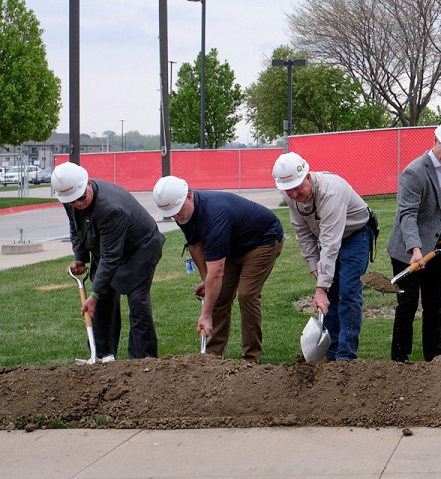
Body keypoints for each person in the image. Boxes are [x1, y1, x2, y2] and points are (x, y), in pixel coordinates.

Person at [152, 176, 285, 361]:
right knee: (218, 295)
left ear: (189, 196)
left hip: (262, 241)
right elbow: (195, 245)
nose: (176, 216)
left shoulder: (214, 215)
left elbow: (217, 272)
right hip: (233, 244)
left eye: (177, 210)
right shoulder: (181, 212)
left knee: (247, 295)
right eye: (171, 213)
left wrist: (206, 314)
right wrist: (206, 280)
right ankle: (213, 357)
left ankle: (250, 357)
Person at [52, 161, 164, 359]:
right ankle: (103, 356)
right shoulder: (70, 196)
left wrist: (93, 295)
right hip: (106, 247)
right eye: (72, 202)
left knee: (137, 303)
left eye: (81, 198)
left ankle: (143, 361)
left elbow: (111, 257)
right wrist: (80, 258)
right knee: (102, 301)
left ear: (87, 183)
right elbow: (75, 226)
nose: (78, 204)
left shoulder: (111, 208)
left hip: (140, 248)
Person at [274, 151, 374, 362]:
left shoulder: (331, 193)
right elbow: (302, 234)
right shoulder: (293, 196)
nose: (293, 194)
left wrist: (321, 288)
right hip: (330, 237)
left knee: (347, 292)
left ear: (308, 177)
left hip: (355, 236)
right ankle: (330, 352)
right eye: (288, 191)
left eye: (297, 188)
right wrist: (314, 267)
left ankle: (345, 357)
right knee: (332, 293)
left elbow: (330, 244)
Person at [389, 118, 441, 362]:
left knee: (433, 304)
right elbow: (407, 215)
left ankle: (434, 356)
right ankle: (400, 358)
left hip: (435, 249)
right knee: (408, 303)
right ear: (435, 141)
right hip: (407, 250)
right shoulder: (413, 172)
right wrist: (415, 249)